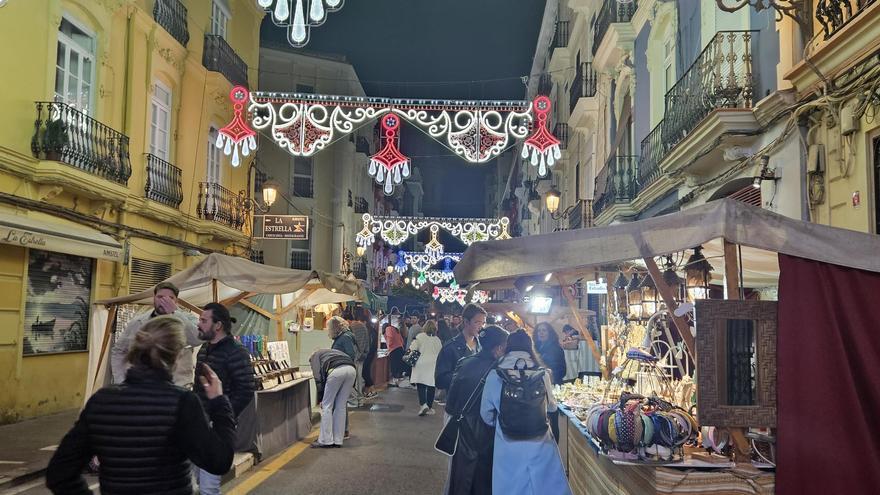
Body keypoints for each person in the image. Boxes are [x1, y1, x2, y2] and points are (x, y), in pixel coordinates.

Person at [46, 316, 235, 494]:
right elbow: (218, 461)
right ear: (177, 356)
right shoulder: (182, 402)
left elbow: (59, 473)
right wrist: (219, 403)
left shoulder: (101, 401)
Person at [480, 330, 571, 495]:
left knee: (510, 486)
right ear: (530, 347)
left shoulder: (496, 374)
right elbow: (552, 407)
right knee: (543, 486)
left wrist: (501, 421)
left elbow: (485, 413)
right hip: (540, 439)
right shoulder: (542, 373)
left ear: (508, 346)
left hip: (507, 441)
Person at [193, 303, 255, 494]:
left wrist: (222, 416)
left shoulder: (236, 352)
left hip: (217, 428)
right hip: (199, 424)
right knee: (195, 479)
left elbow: (245, 389)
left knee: (209, 486)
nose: (199, 324)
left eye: (204, 320)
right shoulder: (204, 349)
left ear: (218, 325)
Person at [443, 326, 509, 495]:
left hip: (464, 430)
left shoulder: (463, 362)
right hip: (490, 433)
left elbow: (450, 404)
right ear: (499, 348)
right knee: (485, 481)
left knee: (461, 480)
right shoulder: (502, 371)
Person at [111, 281, 200, 388]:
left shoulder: (188, 319)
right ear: (154, 298)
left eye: (170, 298)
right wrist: (121, 380)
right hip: (143, 387)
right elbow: (119, 351)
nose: (164, 301)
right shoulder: (138, 321)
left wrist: (175, 313)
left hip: (178, 386)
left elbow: (197, 339)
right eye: (160, 297)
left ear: (176, 301)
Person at [309, 348, 357, 448]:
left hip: (336, 371)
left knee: (327, 406)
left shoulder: (315, 356)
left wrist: (321, 398)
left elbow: (318, 377)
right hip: (352, 370)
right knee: (341, 406)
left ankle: (325, 440)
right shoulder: (330, 352)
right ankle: (338, 440)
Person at [435, 304, 486, 397]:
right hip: (455, 403)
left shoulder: (482, 346)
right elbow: (440, 380)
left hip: (476, 402)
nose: (481, 327)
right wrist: (465, 376)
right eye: (477, 322)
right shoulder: (451, 347)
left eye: (483, 323)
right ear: (466, 322)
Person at [408, 320, 443, 416]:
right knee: (431, 385)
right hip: (433, 364)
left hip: (421, 363)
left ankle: (423, 405)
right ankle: (430, 407)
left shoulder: (420, 337)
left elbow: (412, 348)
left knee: (421, 385)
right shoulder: (437, 340)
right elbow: (441, 353)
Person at [349, 309, 371, 399]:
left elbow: (354, 343)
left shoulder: (353, 327)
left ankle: (356, 398)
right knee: (359, 377)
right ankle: (359, 397)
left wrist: (356, 355)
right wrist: (364, 353)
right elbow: (366, 342)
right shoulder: (363, 327)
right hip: (362, 356)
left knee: (354, 378)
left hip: (355, 357)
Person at [384, 316, 406, 387]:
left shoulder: (388, 328)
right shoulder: (395, 329)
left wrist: (389, 347)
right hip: (400, 348)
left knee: (394, 366)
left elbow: (390, 338)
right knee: (398, 366)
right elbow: (402, 340)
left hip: (394, 350)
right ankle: (398, 382)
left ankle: (394, 382)